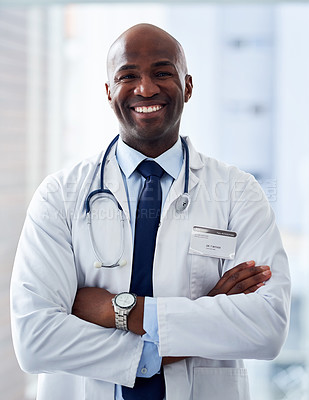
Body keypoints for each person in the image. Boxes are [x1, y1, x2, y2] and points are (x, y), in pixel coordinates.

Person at [10, 23, 291, 400]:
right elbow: (36, 339)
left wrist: (119, 311)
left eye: (162, 72)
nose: (146, 89)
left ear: (188, 86)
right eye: (128, 76)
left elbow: (267, 326)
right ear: (109, 92)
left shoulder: (239, 193)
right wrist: (193, 325)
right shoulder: (59, 196)